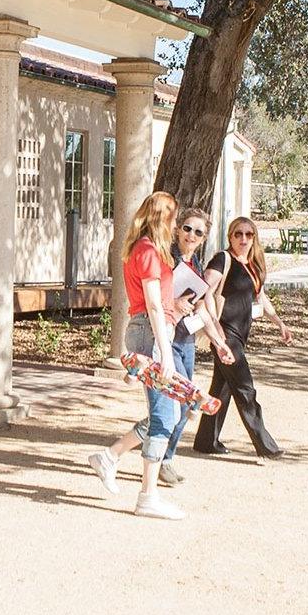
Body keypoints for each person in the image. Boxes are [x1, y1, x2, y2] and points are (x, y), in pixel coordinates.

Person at [88, 193, 232, 519]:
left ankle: (110, 458)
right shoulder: (150, 252)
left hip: (151, 333)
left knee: (170, 411)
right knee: (166, 415)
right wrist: (165, 355)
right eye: (175, 220)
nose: (179, 228)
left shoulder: (144, 249)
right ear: (164, 218)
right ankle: (146, 495)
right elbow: (153, 305)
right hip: (152, 334)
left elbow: (163, 304)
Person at [193, 216, 293, 460]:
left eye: (249, 235)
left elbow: (261, 297)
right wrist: (214, 326)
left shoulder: (252, 266)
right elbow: (203, 286)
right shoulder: (223, 259)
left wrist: (279, 323)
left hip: (240, 334)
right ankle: (265, 445)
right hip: (226, 336)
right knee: (245, 389)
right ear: (230, 237)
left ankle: (206, 441)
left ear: (254, 238)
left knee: (221, 388)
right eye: (238, 234)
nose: (244, 239)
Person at [159, 207, 233, 487]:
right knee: (181, 400)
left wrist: (218, 342)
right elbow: (154, 298)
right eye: (187, 228)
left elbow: (202, 307)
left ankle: (165, 457)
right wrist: (173, 304)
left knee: (187, 404)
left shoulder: (197, 265)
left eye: (198, 232)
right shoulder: (166, 259)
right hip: (167, 338)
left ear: (203, 238)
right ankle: (156, 457)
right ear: (178, 228)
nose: (191, 235)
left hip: (186, 340)